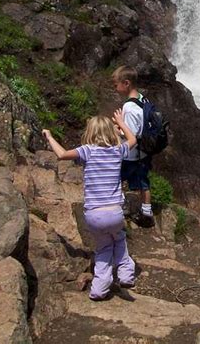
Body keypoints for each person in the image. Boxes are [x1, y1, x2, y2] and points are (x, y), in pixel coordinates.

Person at [43, 109, 137, 300]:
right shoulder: (117, 151)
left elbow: (61, 154)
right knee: (118, 239)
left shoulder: (86, 151)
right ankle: (126, 274)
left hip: (94, 214)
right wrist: (121, 122)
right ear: (111, 133)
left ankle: (98, 290)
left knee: (103, 248)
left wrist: (49, 136)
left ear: (90, 133)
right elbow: (133, 139)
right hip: (115, 212)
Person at [112, 65, 155, 227]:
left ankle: (121, 207)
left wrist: (118, 126)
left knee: (118, 179)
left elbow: (129, 135)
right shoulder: (143, 99)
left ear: (126, 83)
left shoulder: (129, 108)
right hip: (144, 151)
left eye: (116, 85)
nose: (115, 89)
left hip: (130, 154)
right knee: (144, 182)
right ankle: (146, 211)